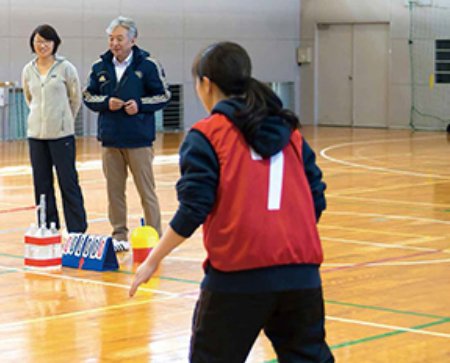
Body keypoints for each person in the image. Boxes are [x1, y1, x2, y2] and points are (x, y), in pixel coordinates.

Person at [129, 42, 332, 363]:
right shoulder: (289, 131)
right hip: (301, 274)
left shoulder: (208, 135)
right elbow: (316, 197)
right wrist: (285, 237)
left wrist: (153, 258)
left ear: (206, 83)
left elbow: (194, 208)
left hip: (238, 276)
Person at [83, 16, 171, 252]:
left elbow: (163, 95)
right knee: (114, 192)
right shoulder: (99, 66)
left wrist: (140, 105)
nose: (115, 43)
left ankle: (155, 236)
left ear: (133, 40)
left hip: (139, 140)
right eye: (111, 39)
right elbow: (88, 96)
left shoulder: (148, 65)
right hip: (110, 140)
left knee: (146, 192)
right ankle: (119, 235)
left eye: (120, 38)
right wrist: (105, 102)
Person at [21, 24, 88, 234]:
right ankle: (48, 226)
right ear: (33, 43)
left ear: (55, 44)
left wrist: (63, 119)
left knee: (68, 181)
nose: (43, 45)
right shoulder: (28, 69)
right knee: (41, 183)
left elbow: (75, 98)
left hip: (61, 135)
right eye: (39, 41)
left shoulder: (65, 67)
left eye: (47, 41)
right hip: (36, 136)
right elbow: (29, 98)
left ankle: (77, 228)